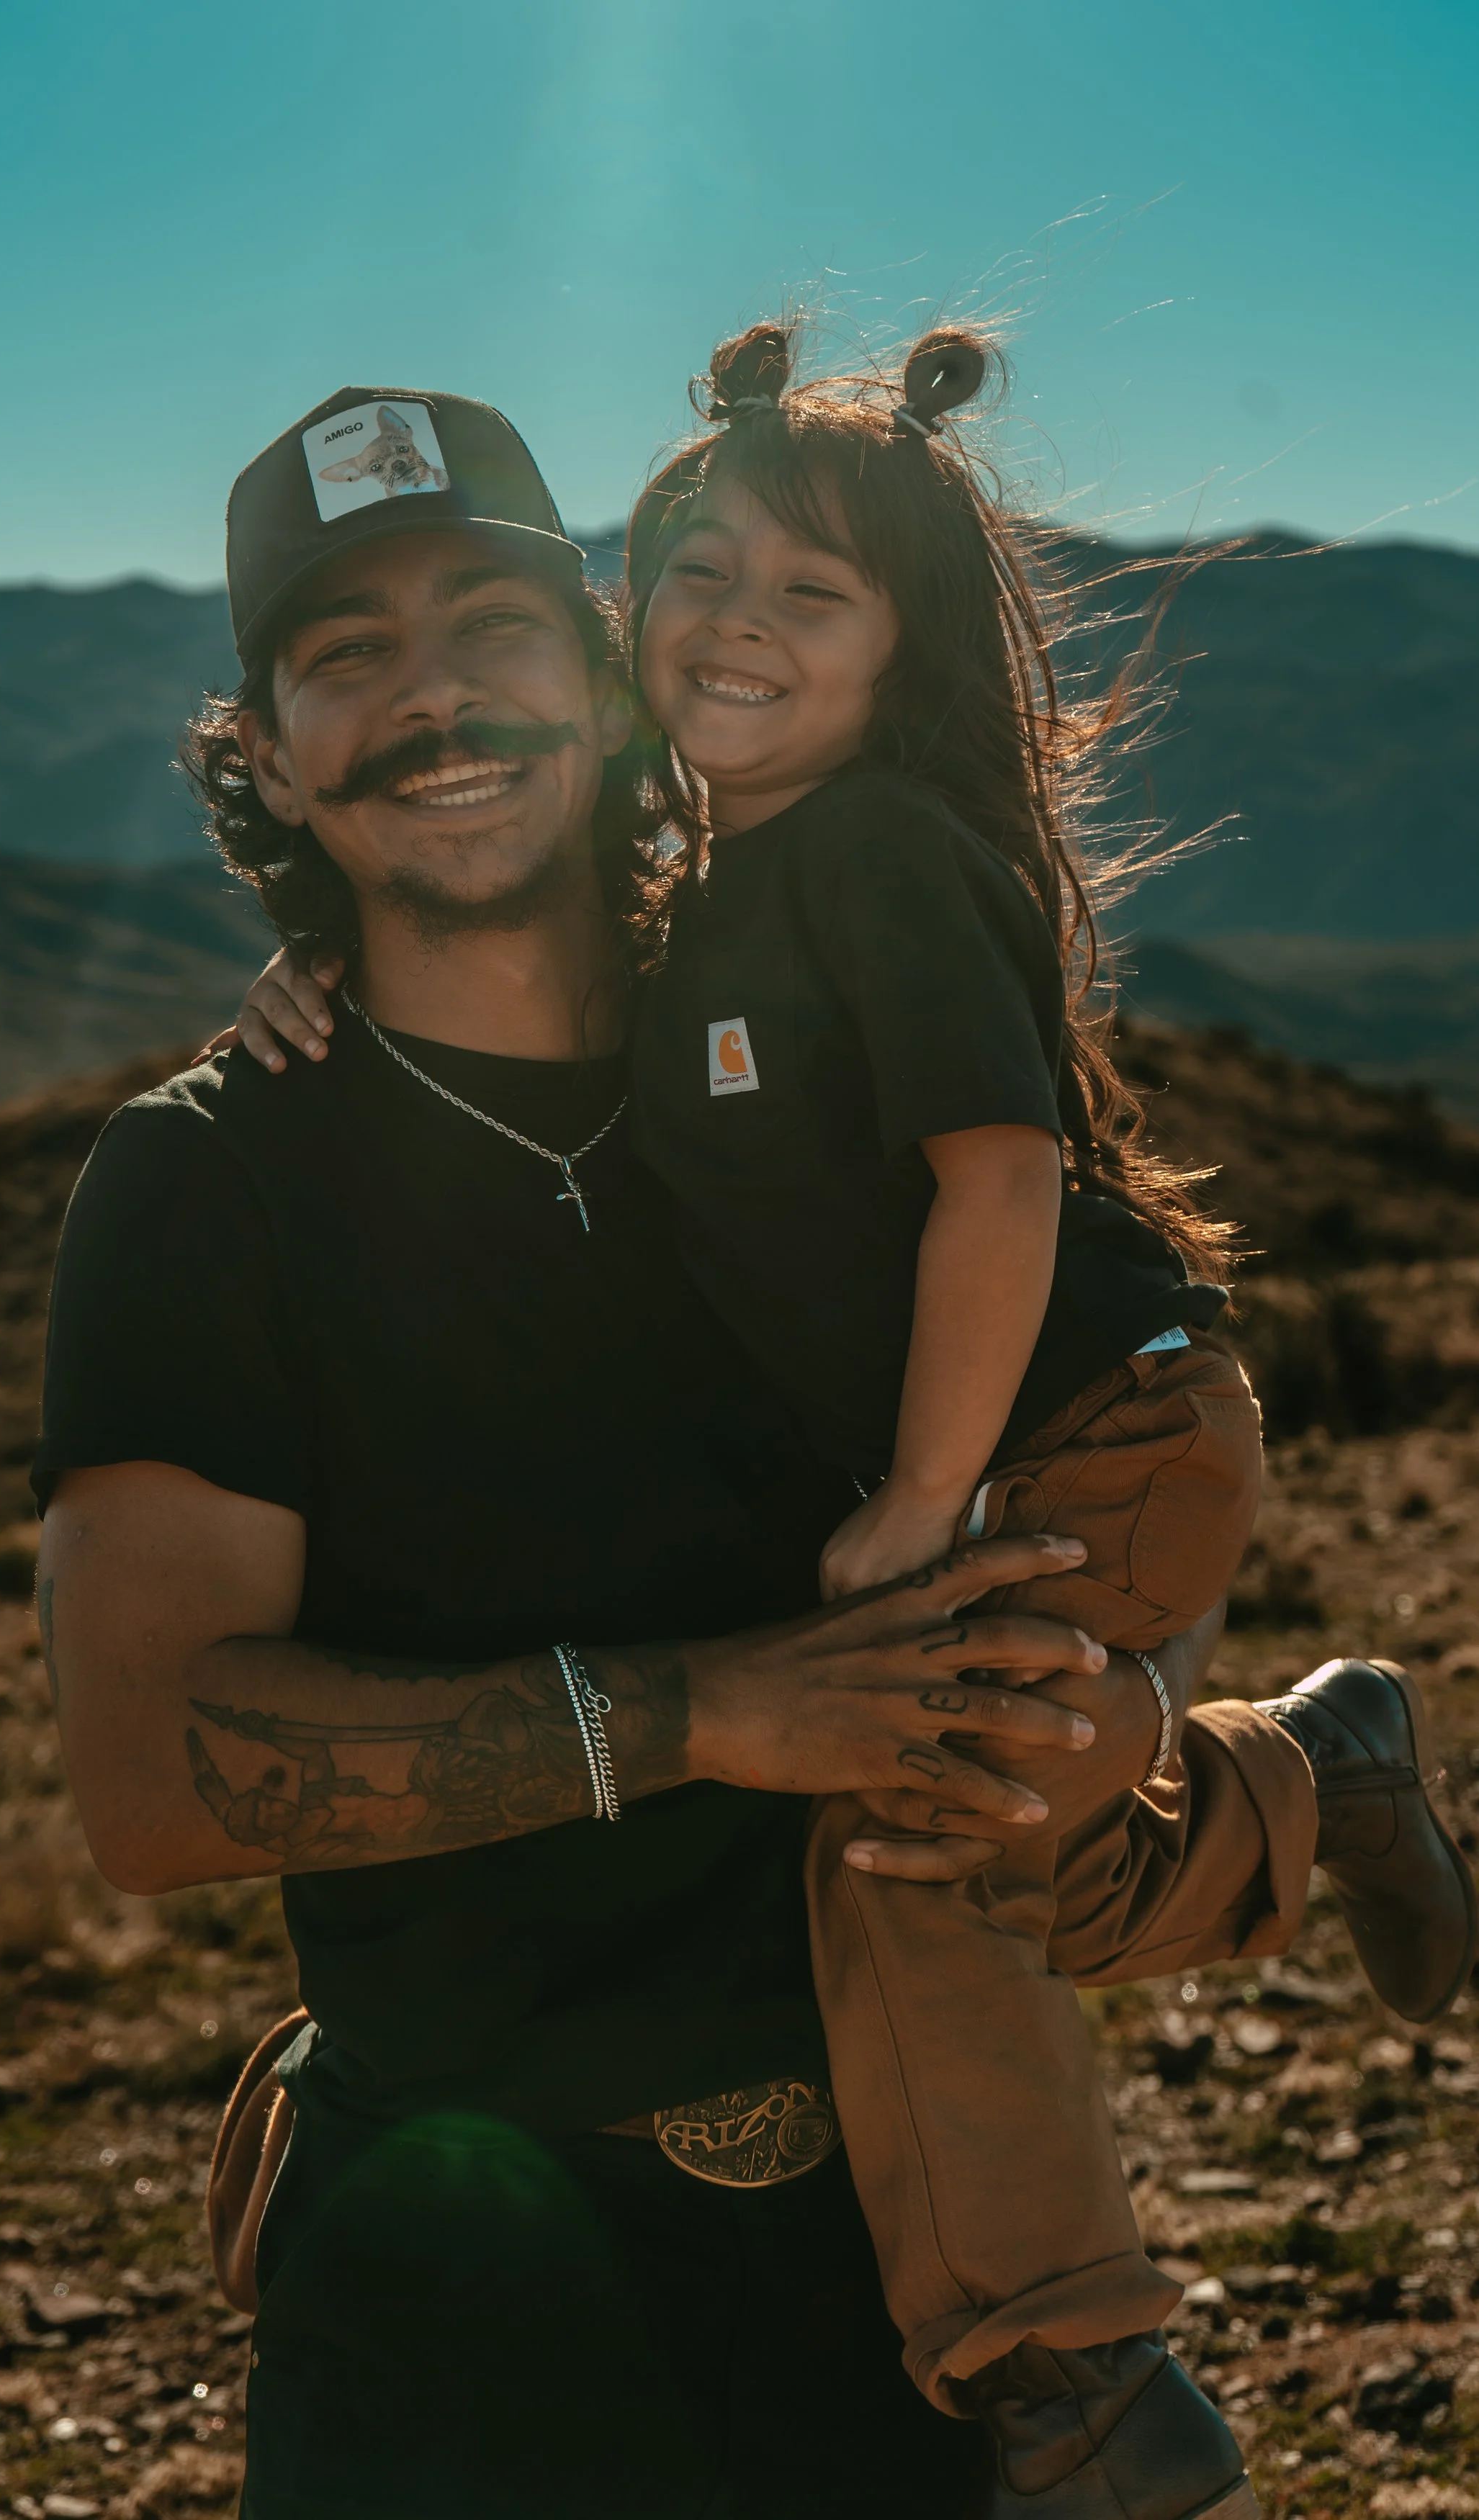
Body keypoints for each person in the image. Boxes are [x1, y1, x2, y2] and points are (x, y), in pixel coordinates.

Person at [207, 353, 1477, 2520]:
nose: (739, 618)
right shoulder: (699, 887)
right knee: (1007, 1833)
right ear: (623, 615)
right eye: (692, 568)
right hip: (1008, 1438)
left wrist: (912, 1502)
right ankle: (1310, 1774)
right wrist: (305, 967)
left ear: (902, 651)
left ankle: (1064, 2360)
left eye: (814, 587)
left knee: (912, 1840)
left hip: (1093, 1423)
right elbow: (488, 935)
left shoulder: (878, 851)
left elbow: (993, 1181)